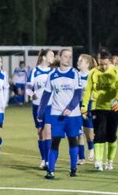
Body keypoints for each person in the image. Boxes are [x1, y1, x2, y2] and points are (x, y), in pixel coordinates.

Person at [38, 47, 84, 179]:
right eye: (65, 56)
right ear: (59, 57)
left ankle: (73, 168)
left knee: (72, 141)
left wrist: (70, 107)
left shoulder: (75, 73)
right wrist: (40, 113)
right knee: (55, 141)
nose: (68, 59)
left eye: (70, 57)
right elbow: (46, 96)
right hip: (57, 114)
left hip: (73, 115)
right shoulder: (52, 75)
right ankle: (51, 170)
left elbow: (78, 94)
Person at [82, 49, 118, 171]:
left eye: (106, 64)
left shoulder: (116, 71)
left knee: (111, 136)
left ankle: (110, 161)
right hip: (98, 107)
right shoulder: (93, 73)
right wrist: (84, 107)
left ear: (110, 61)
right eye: (101, 64)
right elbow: (88, 91)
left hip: (113, 107)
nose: (103, 67)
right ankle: (98, 162)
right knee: (99, 134)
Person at [28, 49, 56, 168]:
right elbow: (28, 87)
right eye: (51, 55)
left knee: (48, 131)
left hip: (50, 106)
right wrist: (31, 94)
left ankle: (49, 160)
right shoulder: (34, 71)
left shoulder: (53, 72)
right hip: (37, 106)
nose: (53, 57)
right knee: (40, 133)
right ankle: (43, 159)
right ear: (44, 57)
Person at [76, 53, 97, 163]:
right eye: (78, 60)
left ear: (87, 64)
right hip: (76, 106)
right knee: (79, 132)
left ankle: (91, 148)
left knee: (88, 133)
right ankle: (81, 157)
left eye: (81, 61)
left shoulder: (92, 75)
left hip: (88, 105)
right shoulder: (76, 75)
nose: (78, 62)